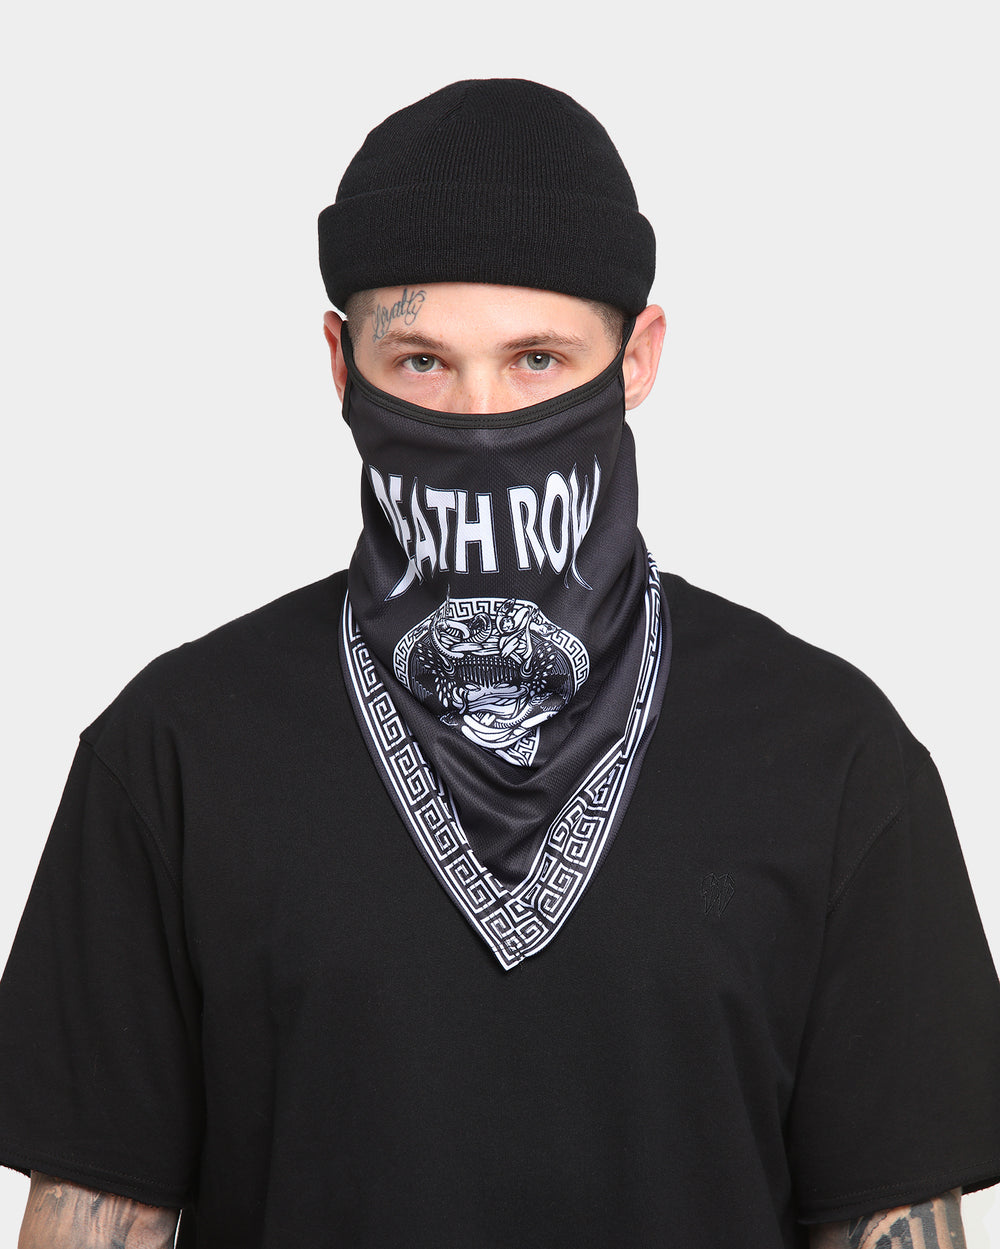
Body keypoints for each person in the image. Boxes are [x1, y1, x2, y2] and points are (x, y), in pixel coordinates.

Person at [2, 78, 998, 1249]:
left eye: (537, 358)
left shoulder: (832, 758)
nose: (480, 417)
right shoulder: (175, 752)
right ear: (341, 362)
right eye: (422, 362)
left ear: (636, 358)